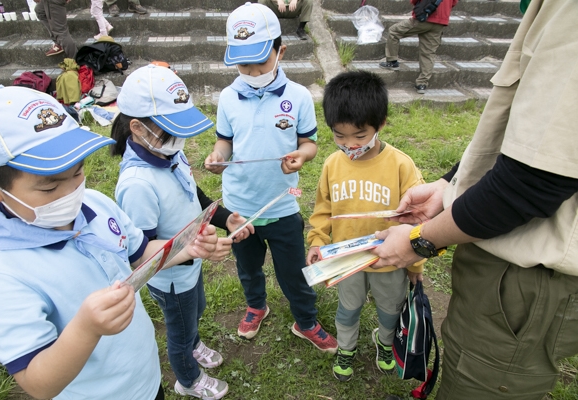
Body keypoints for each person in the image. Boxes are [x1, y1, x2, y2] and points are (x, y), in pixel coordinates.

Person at [372, 0, 578, 398]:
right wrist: (449, 185)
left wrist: (421, 240)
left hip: (522, 284)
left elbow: (533, 182)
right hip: (510, 277)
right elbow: (520, 143)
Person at [0, 86, 220, 400]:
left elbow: (138, 255)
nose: (71, 194)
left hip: (146, 379)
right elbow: (38, 383)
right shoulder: (1, 275)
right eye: (49, 188)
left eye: (77, 173)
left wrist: (183, 248)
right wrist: (85, 328)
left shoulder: (95, 204)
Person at [111, 64, 254, 399]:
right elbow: (140, 253)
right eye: (171, 129)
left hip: (191, 265)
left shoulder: (169, 152)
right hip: (170, 278)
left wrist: (225, 218)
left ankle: (194, 342)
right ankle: (188, 379)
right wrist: (193, 248)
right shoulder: (137, 185)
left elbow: (196, 198)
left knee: (198, 309)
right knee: (179, 328)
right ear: (137, 127)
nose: (181, 138)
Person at [205, 2, 338, 354]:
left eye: (259, 62)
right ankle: (256, 305)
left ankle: (305, 320)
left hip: (280, 205)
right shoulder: (228, 97)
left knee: (294, 271)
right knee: (247, 267)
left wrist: (302, 156)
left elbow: (309, 142)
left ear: (281, 50)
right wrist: (219, 157)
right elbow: (225, 140)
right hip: (238, 209)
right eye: (242, 64)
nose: (250, 71)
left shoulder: (297, 97)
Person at [306, 70, 424, 382]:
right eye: (339, 135)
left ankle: (385, 343)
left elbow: (419, 219)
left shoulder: (401, 165)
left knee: (389, 309)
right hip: (347, 258)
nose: (349, 145)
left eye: (359, 136)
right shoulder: (333, 164)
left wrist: (416, 260)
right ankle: (346, 347)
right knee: (348, 308)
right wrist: (317, 241)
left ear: (380, 124)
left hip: (390, 257)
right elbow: (323, 209)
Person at [379, 0, 458, 94]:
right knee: (428, 53)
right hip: (440, 22)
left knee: (394, 31)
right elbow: (454, 2)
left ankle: (392, 61)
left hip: (424, 18)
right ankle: (422, 84)